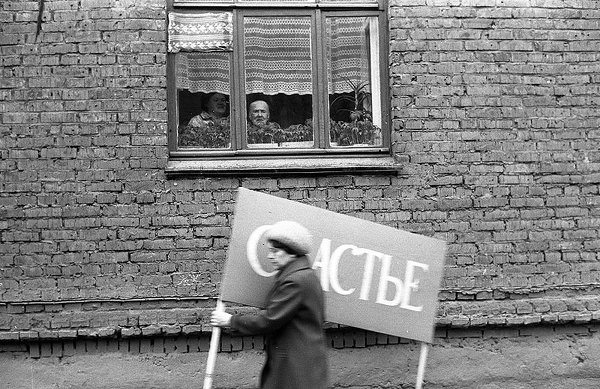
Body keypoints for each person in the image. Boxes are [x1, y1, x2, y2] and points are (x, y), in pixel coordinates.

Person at [211, 221, 328, 389]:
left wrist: (230, 321)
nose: (269, 256)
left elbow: (269, 320)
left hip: (295, 368)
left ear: (292, 253)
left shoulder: (295, 281)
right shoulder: (305, 276)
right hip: (301, 365)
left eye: (275, 251)